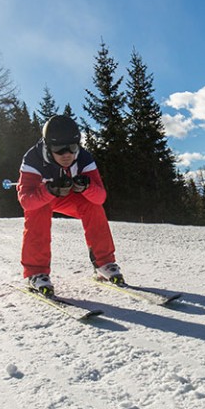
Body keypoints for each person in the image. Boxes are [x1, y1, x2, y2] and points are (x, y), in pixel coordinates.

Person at [16, 114, 123, 295]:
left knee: (92, 204)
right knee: (37, 210)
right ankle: (36, 273)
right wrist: (49, 190)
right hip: (44, 199)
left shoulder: (83, 157)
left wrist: (87, 187)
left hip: (68, 198)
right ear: (48, 147)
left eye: (72, 148)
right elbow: (26, 201)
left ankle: (104, 263)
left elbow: (100, 197)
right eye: (59, 149)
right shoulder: (33, 159)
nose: (67, 155)